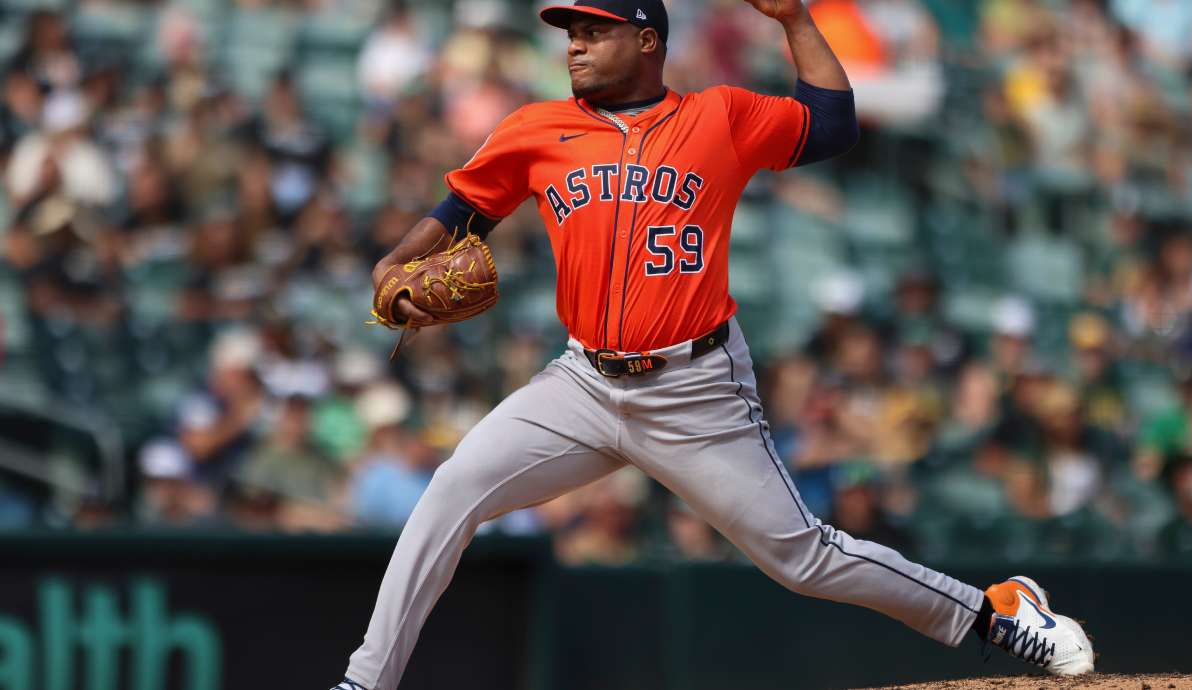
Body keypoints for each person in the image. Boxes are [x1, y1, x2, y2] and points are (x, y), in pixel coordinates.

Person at [332, 0, 1094, 687]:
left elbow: (832, 124)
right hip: (580, 384)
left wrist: (795, 20)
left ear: (647, 40)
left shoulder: (720, 116)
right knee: (449, 493)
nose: (577, 46)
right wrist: (399, 259)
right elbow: (465, 209)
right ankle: (366, 683)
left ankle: (997, 612)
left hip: (693, 387)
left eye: (596, 31)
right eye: (573, 33)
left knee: (802, 557)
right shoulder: (537, 128)